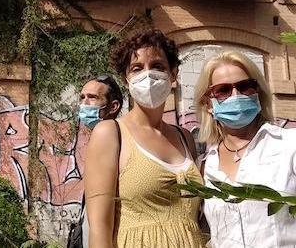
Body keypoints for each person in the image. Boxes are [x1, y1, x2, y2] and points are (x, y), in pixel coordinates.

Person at [196, 50, 296, 247]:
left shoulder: (294, 144)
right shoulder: (206, 166)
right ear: (208, 104)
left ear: (258, 93)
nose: (236, 95)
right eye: (223, 91)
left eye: (245, 87)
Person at [84, 28, 204, 248]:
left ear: (173, 74)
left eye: (158, 66)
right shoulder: (110, 133)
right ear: (126, 78)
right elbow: (99, 229)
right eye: (137, 68)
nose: (148, 75)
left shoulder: (184, 138)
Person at [72, 75, 124, 248]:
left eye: (92, 97)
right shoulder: (97, 139)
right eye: (82, 97)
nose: (84, 103)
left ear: (113, 107)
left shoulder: (120, 140)